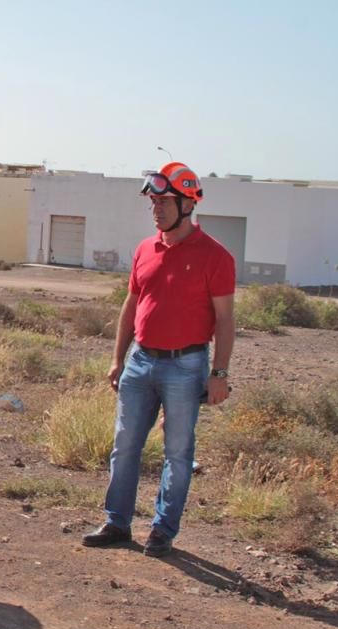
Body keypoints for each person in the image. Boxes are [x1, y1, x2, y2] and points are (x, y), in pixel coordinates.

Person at [82, 162, 235, 557]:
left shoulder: (216, 256)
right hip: (139, 362)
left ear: (189, 203)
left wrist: (218, 373)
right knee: (125, 446)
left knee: (178, 453)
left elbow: (224, 320)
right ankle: (117, 523)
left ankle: (162, 531)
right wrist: (118, 358)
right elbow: (131, 307)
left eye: (165, 201)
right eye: (153, 201)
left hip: (185, 367)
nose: (156, 208)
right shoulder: (144, 250)